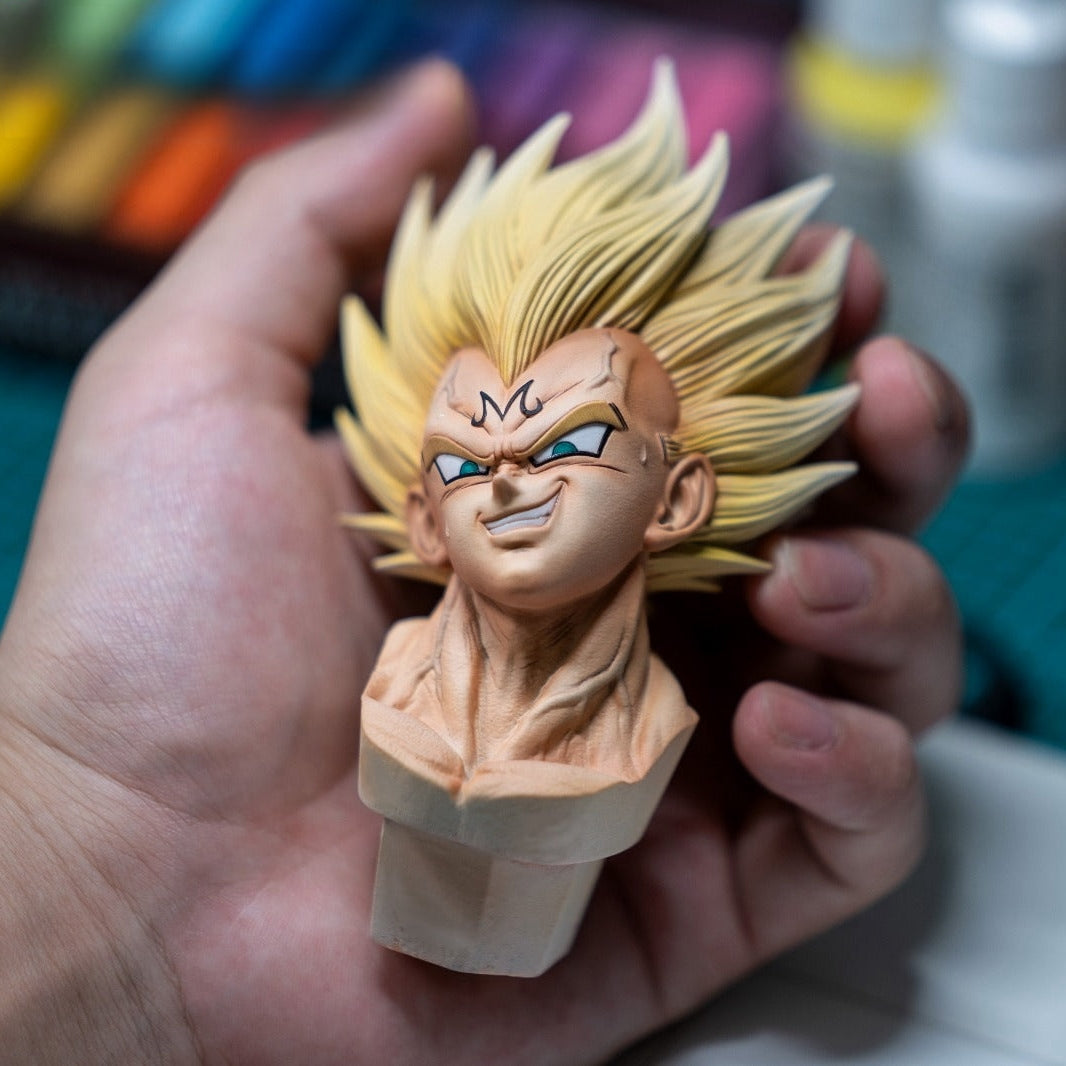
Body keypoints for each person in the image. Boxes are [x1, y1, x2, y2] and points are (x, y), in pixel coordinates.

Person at [0, 61, 967, 1063]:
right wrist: (79, 850)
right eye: (463, 461)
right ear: (424, 520)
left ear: (678, 498)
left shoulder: (650, 730)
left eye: (566, 443)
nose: (505, 481)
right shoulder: (393, 683)